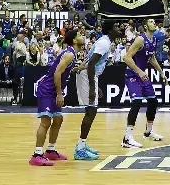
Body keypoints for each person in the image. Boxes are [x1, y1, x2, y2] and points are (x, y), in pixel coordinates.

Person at [31, 29, 85, 166]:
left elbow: (64, 70)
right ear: (73, 40)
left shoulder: (73, 54)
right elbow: (56, 74)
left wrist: (78, 68)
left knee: (58, 119)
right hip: (48, 90)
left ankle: (50, 150)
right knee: (46, 121)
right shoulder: (69, 54)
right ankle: (37, 154)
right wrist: (60, 93)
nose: (83, 36)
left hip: (53, 90)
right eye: (79, 35)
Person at [74, 20, 124, 160]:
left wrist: (96, 86)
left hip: (90, 75)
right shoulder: (104, 43)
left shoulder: (105, 41)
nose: (118, 28)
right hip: (87, 75)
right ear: (109, 30)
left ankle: (82, 145)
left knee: (91, 111)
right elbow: (90, 65)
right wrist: (92, 88)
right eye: (116, 26)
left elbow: (92, 65)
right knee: (91, 111)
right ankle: (80, 148)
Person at [122, 19, 169, 148]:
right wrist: (139, 71)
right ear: (145, 26)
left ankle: (148, 131)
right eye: (151, 22)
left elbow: (151, 58)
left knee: (153, 101)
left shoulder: (153, 40)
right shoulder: (140, 40)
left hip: (142, 76)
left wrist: (162, 73)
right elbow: (126, 58)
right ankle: (127, 138)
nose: (154, 23)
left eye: (155, 22)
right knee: (137, 102)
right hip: (132, 75)